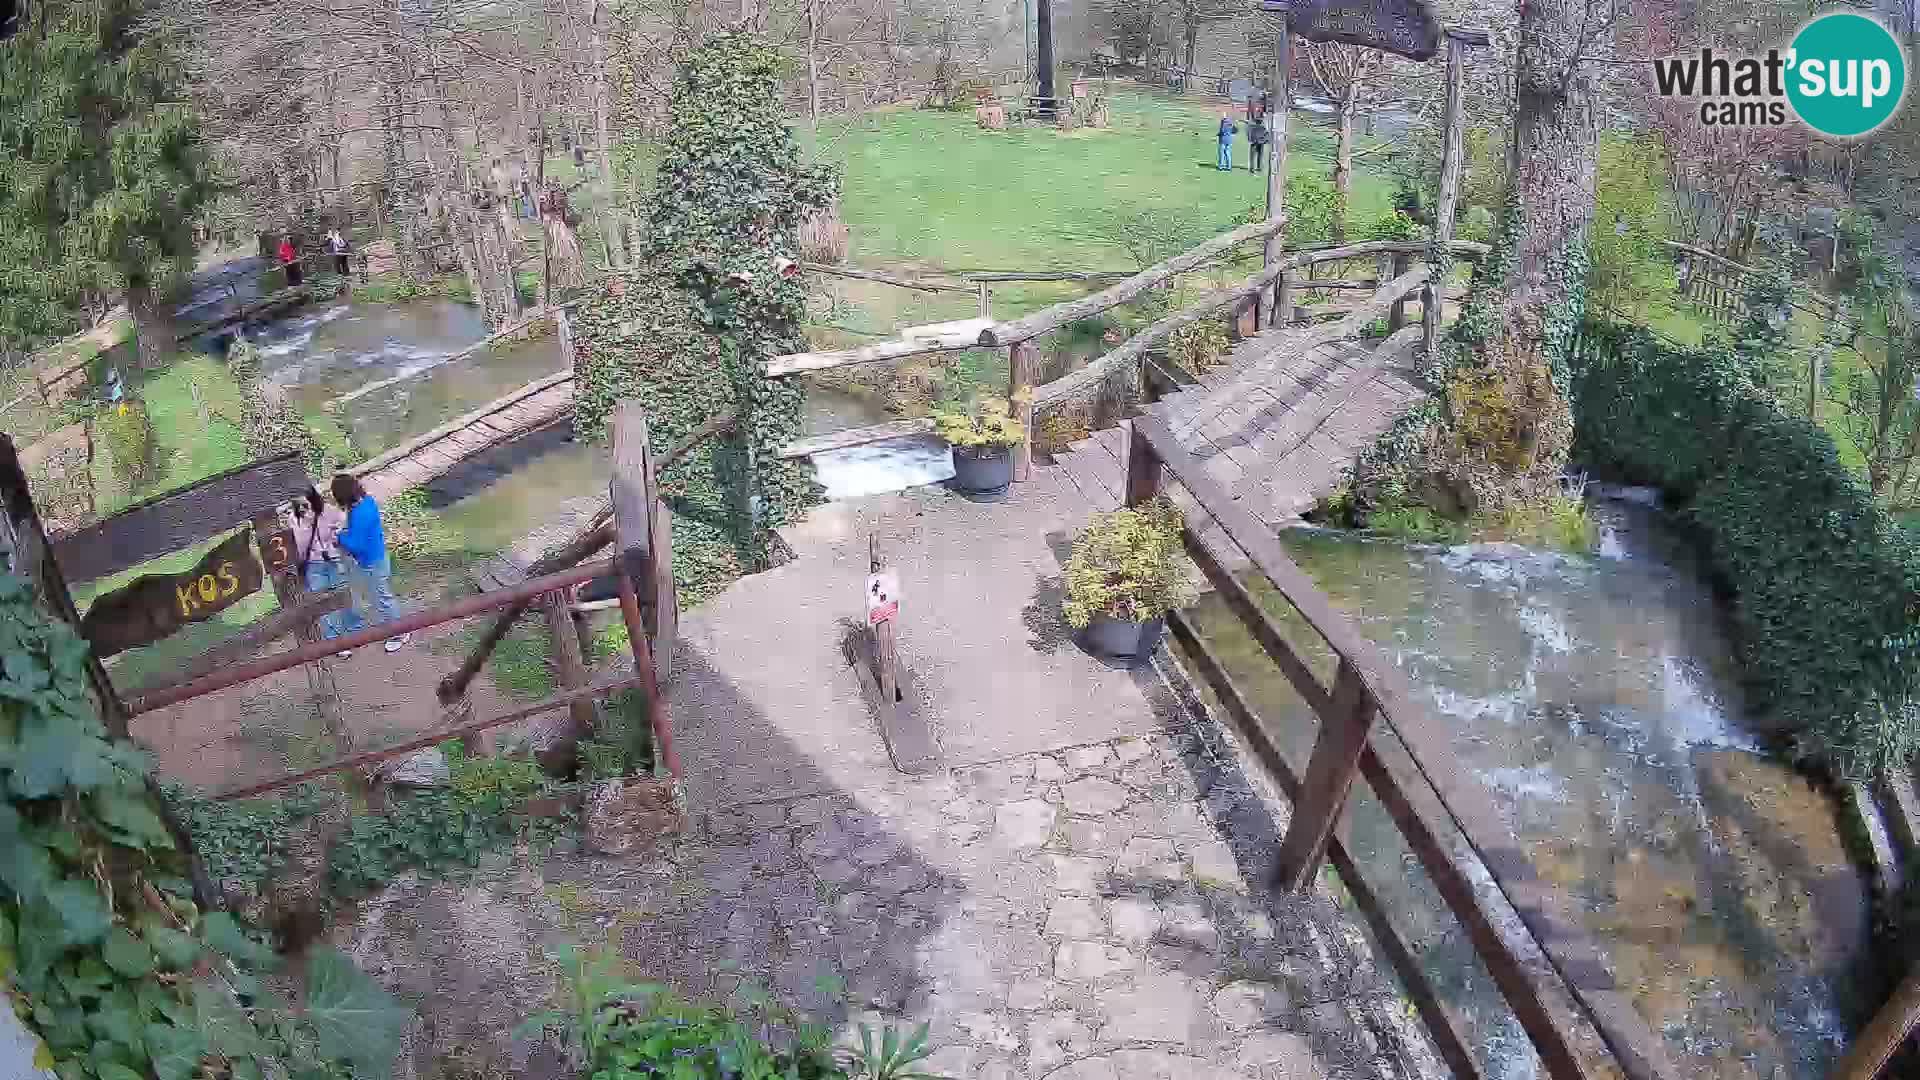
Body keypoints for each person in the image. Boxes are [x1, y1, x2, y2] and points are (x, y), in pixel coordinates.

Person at [331, 473, 410, 653]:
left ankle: (400, 632)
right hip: (378, 556)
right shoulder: (366, 502)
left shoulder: (359, 513)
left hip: (372, 561)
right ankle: (395, 627)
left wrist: (340, 538)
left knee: (382, 598)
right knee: (380, 596)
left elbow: (357, 545)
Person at [288, 486, 352, 652]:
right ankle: (335, 642)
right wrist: (307, 526)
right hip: (313, 563)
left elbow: (343, 525)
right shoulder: (295, 519)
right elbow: (299, 546)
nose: (302, 509)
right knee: (323, 603)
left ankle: (353, 632)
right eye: (298, 505)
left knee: (344, 594)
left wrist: (335, 536)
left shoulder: (329, 511)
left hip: (334, 559)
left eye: (305, 504)